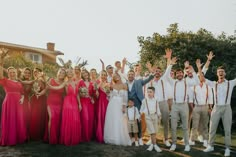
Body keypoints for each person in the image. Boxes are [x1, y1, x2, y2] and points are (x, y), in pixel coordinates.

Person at [165, 56, 200, 152]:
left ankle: (187, 144)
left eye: (181, 73)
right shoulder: (173, 82)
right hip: (175, 106)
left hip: (184, 105)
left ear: (183, 74)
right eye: (178, 73)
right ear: (176, 75)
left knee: (185, 126)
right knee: (173, 126)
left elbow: (197, 81)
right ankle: (174, 144)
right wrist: (170, 65)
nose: (179, 74)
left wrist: (193, 71)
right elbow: (166, 76)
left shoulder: (187, 81)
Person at [203, 65, 236, 157]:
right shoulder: (213, 84)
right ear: (217, 74)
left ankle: (227, 148)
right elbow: (201, 79)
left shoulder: (231, 83)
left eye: (222, 71)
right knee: (212, 128)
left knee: (227, 129)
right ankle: (210, 146)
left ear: (225, 73)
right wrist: (202, 67)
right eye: (219, 71)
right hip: (216, 107)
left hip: (226, 108)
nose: (221, 73)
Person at [48, 68, 82, 146]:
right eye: (68, 72)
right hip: (68, 102)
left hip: (74, 102)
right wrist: (49, 85)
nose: (70, 73)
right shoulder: (65, 83)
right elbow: (57, 88)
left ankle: (74, 138)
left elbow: (77, 94)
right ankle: (67, 138)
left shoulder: (76, 82)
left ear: (73, 73)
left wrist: (79, 104)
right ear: (66, 74)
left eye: (71, 71)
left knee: (75, 120)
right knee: (68, 119)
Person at [0, 54, 27, 145]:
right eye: (10, 72)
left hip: (18, 102)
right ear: (8, 73)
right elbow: (0, 75)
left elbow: (22, 92)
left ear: (16, 73)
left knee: (18, 119)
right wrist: (1, 64)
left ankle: (19, 137)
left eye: (13, 72)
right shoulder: (5, 81)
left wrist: (22, 98)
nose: (12, 73)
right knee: (11, 119)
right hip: (9, 102)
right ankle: (10, 139)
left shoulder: (19, 83)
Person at [126, 64, 154, 145]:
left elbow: (149, 79)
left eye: (132, 74)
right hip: (129, 105)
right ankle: (131, 138)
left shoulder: (138, 81)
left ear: (134, 75)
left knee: (138, 121)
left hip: (137, 103)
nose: (130, 76)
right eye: (129, 74)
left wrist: (151, 71)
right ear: (127, 76)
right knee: (129, 121)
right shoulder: (125, 83)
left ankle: (140, 138)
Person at [188, 59, 213, 147]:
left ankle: (206, 140)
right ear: (198, 77)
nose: (201, 77)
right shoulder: (194, 87)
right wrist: (192, 108)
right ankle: (192, 139)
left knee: (205, 124)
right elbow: (191, 99)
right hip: (196, 107)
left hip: (205, 106)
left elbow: (210, 97)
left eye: (202, 76)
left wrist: (210, 108)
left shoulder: (208, 86)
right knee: (195, 124)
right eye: (200, 76)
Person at [104, 73, 131, 145]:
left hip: (120, 104)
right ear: (113, 78)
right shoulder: (112, 86)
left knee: (120, 120)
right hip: (112, 104)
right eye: (114, 76)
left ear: (120, 76)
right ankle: (112, 137)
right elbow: (110, 96)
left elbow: (126, 96)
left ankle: (120, 137)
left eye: (117, 75)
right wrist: (108, 94)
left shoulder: (124, 85)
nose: (116, 77)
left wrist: (124, 106)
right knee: (113, 120)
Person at [43, 68, 66, 144]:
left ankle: (57, 136)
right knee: (52, 118)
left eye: (63, 73)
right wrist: (39, 93)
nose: (61, 74)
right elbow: (46, 89)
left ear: (64, 75)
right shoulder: (51, 80)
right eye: (60, 72)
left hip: (60, 103)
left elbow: (65, 94)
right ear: (57, 72)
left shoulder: (64, 83)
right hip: (50, 102)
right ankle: (51, 138)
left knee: (57, 120)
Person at [140, 87, 162, 152]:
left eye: (150, 92)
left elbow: (157, 108)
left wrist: (159, 115)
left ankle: (152, 145)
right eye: (148, 92)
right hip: (148, 116)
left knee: (154, 131)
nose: (149, 93)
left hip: (155, 116)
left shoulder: (156, 100)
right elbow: (141, 109)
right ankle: (155, 145)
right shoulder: (144, 100)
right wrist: (140, 115)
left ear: (153, 93)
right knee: (152, 131)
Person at [29, 68, 47, 140]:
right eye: (34, 72)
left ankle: (39, 134)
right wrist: (34, 90)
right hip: (34, 99)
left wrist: (38, 91)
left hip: (41, 99)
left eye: (36, 72)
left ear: (40, 72)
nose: (35, 73)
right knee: (34, 116)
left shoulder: (41, 80)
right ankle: (34, 134)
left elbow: (44, 88)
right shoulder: (34, 80)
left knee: (40, 115)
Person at [78, 69, 95, 142]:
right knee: (85, 118)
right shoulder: (80, 82)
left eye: (86, 73)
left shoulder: (91, 83)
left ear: (88, 73)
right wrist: (79, 103)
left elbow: (93, 93)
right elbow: (78, 93)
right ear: (82, 75)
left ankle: (89, 136)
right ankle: (84, 136)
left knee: (90, 119)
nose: (85, 74)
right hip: (83, 102)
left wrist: (92, 98)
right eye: (83, 73)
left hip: (90, 103)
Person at [95, 70, 110, 143]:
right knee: (100, 117)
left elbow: (109, 94)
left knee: (106, 117)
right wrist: (100, 82)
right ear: (100, 75)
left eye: (105, 75)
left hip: (106, 102)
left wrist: (108, 93)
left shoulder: (108, 84)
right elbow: (96, 90)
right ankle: (100, 135)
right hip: (100, 102)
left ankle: (106, 135)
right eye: (102, 75)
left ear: (106, 76)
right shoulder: (97, 83)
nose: (103, 76)